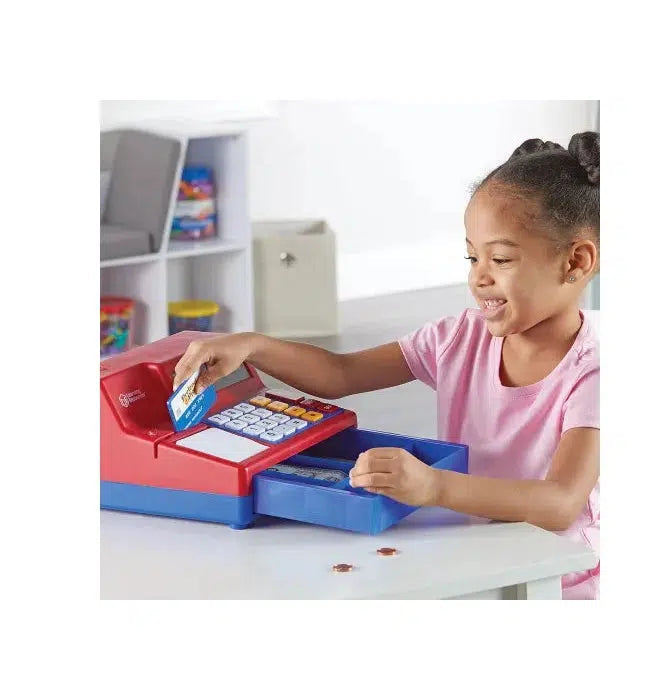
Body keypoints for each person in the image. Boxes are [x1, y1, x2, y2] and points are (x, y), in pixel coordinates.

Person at [173, 132, 601, 599]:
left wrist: (434, 486)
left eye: (500, 259)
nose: (479, 277)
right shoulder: (460, 338)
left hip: (559, 582)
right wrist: (253, 346)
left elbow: (561, 502)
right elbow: (341, 373)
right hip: (475, 556)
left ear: (576, 261)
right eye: (472, 256)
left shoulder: (595, 370)